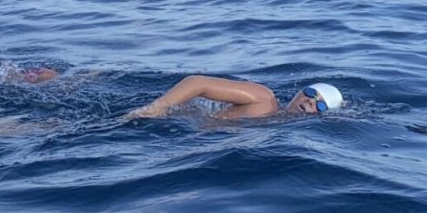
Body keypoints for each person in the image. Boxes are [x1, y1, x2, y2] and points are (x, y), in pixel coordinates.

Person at [125, 75, 344, 120]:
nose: (310, 101)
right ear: (299, 92)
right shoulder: (264, 99)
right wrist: (156, 109)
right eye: (310, 94)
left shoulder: (276, 121)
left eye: (321, 105)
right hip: (165, 124)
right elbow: (197, 82)